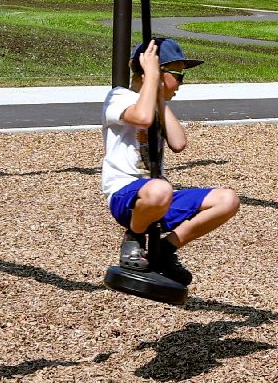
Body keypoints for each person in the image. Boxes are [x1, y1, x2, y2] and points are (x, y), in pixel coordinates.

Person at [102, 38, 240, 284]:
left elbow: (178, 143)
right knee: (160, 188)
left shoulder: (157, 105)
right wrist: (152, 82)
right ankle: (134, 236)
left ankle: (164, 250)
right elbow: (142, 119)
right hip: (125, 196)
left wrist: (160, 99)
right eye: (178, 76)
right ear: (152, 73)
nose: (180, 84)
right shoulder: (119, 97)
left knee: (227, 199)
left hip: (159, 197)